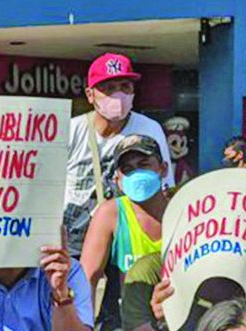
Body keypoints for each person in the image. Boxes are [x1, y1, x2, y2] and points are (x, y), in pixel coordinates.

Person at [63, 53, 174, 256]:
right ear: (90, 94)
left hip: (126, 241)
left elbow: (165, 188)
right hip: (75, 244)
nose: (118, 95)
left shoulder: (148, 129)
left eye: (125, 87)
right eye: (108, 88)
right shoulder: (71, 130)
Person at [79, 134, 173, 331]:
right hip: (124, 327)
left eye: (143, 165)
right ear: (118, 180)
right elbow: (86, 279)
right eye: (128, 170)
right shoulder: (111, 214)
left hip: (177, 320)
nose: (137, 174)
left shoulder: (182, 210)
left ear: (163, 168)